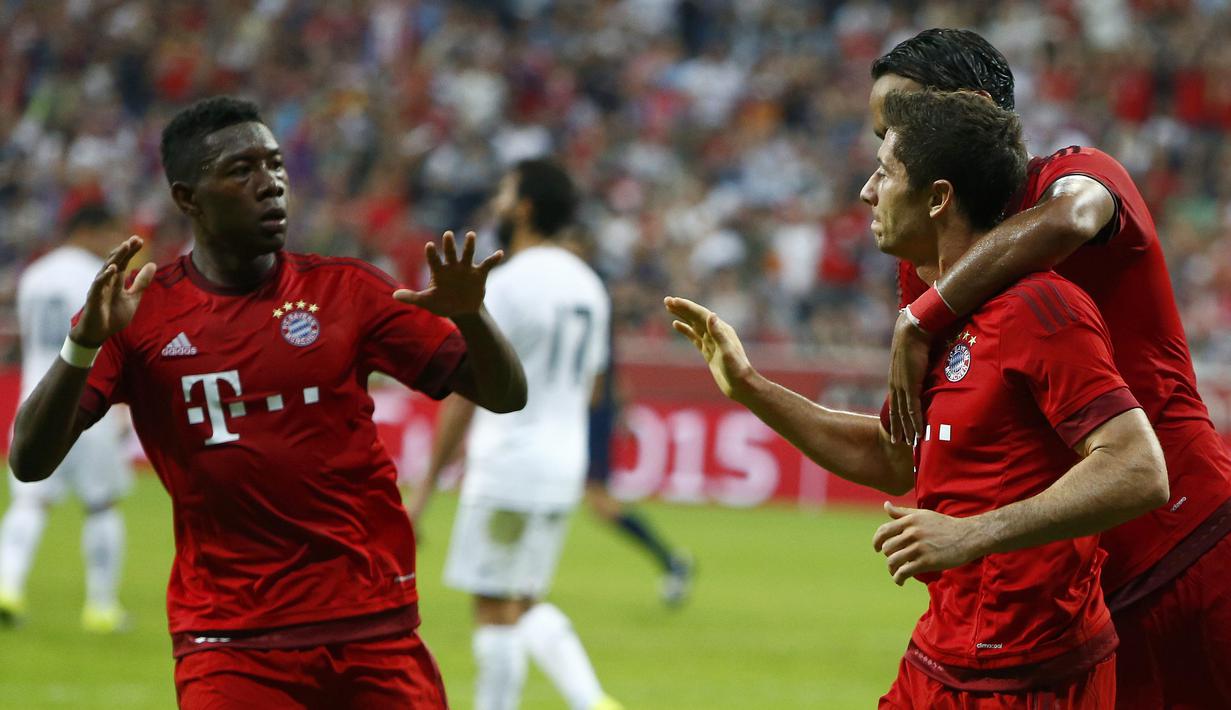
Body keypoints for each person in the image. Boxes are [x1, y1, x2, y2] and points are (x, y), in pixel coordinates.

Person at [7, 95, 527, 709]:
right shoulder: (141, 314)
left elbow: (505, 394)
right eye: (241, 170)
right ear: (187, 198)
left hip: (371, 625)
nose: (271, 184)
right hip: (229, 641)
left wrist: (472, 317)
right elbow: (29, 460)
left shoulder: (348, 291)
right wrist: (83, 346)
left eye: (275, 165)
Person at [667, 90, 1168, 708]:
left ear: (938, 198)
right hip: (937, 658)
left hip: (1033, 675)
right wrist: (750, 386)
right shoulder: (934, 321)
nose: (867, 192)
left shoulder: (1041, 309)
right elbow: (889, 456)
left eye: (886, 173)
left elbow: (1138, 469)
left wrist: (972, 534)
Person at [872, 29, 1231, 707]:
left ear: (977, 108)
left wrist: (920, 317)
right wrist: (751, 387)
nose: (890, 148)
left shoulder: (1074, 174)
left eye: (906, 120)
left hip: (1187, 540)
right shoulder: (925, 262)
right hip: (1078, 601)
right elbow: (906, 446)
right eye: (881, 134)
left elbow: (1069, 218)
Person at [408, 159, 622, 710]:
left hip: (509, 462)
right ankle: (591, 699)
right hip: (563, 465)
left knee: (493, 606)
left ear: (524, 208)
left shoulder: (504, 284)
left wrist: (425, 489)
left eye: (504, 194)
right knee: (522, 599)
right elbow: (595, 390)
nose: (496, 205)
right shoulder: (589, 286)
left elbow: (465, 393)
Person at [0, 202, 134, 633]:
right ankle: (101, 607)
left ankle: (7, 586)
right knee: (101, 505)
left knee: (29, 502)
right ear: (91, 230)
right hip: (89, 403)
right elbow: (113, 340)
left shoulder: (35, 275)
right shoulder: (98, 274)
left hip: (37, 402)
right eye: (109, 232)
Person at [584, 342, 693, 607]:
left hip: (587, 421)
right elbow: (614, 377)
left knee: (600, 503)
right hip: (585, 419)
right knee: (598, 504)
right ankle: (670, 560)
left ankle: (670, 560)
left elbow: (605, 376)